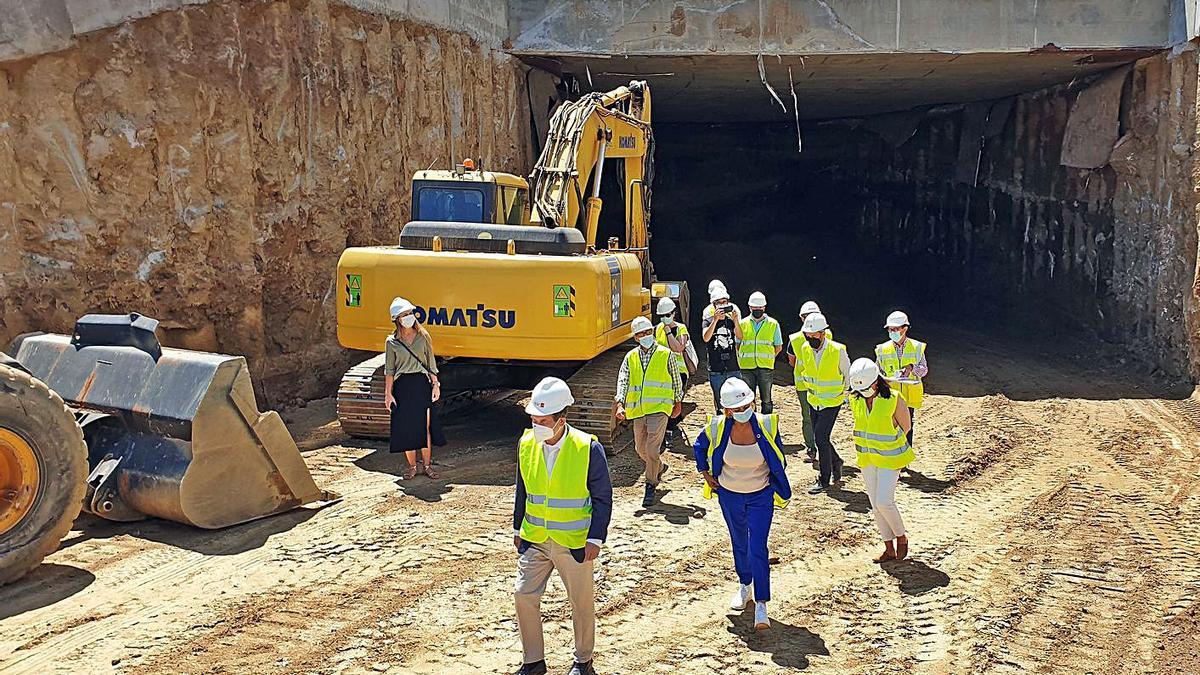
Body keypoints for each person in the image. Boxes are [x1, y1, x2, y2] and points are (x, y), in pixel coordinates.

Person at [513, 377, 613, 675]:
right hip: (536, 538)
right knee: (523, 595)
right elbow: (523, 490)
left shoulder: (587, 448)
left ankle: (583, 661)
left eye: (542, 420)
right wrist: (518, 530)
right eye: (533, 419)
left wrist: (596, 538)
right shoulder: (526, 443)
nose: (536, 425)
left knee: (580, 604)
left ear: (561, 420)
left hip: (574, 542)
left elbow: (603, 497)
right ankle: (533, 662)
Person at [693, 377, 791, 631]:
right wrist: (705, 472)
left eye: (746, 406)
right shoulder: (716, 428)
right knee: (739, 542)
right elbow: (699, 447)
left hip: (761, 495)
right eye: (736, 409)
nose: (742, 412)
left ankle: (761, 603)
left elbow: (779, 457)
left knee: (757, 546)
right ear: (726, 410)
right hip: (730, 495)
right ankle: (745, 585)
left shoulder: (767, 425)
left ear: (754, 402)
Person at [847, 358, 914, 563]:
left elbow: (906, 426)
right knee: (875, 505)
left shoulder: (894, 398)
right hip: (867, 458)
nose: (863, 391)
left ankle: (901, 537)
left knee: (885, 501)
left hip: (890, 458)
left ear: (876, 382)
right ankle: (888, 548)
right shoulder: (855, 399)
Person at [616, 316, 683, 507]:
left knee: (653, 449)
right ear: (636, 338)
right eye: (640, 334)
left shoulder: (665, 354)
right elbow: (623, 380)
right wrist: (620, 403)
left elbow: (676, 378)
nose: (645, 336)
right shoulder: (631, 357)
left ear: (652, 333)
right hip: (638, 409)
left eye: (647, 332)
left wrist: (677, 401)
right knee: (640, 449)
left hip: (660, 408)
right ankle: (659, 467)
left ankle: (650, 485)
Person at [383, 296, 443, 480]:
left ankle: (427, 466)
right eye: (404, 314)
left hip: (420, 384)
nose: (409, 316)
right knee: (407, 428)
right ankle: (412, 467)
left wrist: (435, 384)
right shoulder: (391, 342)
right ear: (397, 319)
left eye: (410, 313)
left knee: (424, 427)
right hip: (402, 386)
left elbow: (430, 363)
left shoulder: (423, 337)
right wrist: (388, 394)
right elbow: (390, 370)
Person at [792, 312, 850, 494]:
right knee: (822, 438)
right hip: (813, 400)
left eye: (813, 335)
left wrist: (843, 393)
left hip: (832, 401)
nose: (810, 338)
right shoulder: (804, 348)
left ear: (823, 333)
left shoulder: (837, 350)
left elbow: (848, 375)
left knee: (820, 438)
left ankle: (824, 479)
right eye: (807, 336)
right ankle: (837, 461)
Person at [874, 311, 928, 447]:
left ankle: (906, 455)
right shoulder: (882, 349)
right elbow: (877, 370)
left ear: (904, 329)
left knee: (907, 426)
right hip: (890, 394)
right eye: (890, 330)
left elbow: (923, 370)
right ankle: (893, 454)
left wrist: (911, 368)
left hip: (909, 395)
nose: (892, 332)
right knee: (891, 425)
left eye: (895, 329)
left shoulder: (916, 347)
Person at [786, 300, 828, 460]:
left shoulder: (827, 335)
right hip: (806, 385)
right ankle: (812, 447)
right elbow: (792, 360)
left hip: (823, 384)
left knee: (819, 417)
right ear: (801, 318)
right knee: (809, 416)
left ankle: (820, 446)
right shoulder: (796, 339)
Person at [737, 291, 782, 414]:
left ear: (764, 307)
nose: (757, 309)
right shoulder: (742, 324)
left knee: (766, 399)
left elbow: (778, 346)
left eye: (760, 307)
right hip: (746, 367)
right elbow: (737, 345)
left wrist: (770, 358)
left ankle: (766, 423)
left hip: (765, 367)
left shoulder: (773, 324)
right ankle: (752, 423)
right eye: (755, 307)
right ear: (750, 307)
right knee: (748, 399)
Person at [655, 297, 692, 445]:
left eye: (667, 315)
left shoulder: (680, 328)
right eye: (662, 316)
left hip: (679, 371)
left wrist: (669, 332)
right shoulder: (658, 328)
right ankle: (666, 428)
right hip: (663, 371)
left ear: (673, 313)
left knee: (675, 400)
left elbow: (678, 348)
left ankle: (671, 428)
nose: (664, 318)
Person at [702, 286, 744, 412]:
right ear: (713, 305)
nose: (722, 305)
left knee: (737, 402)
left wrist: (736, 320)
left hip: (732, 367)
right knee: (721, 404)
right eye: (719, 303)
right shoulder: (708, 320)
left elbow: (740, 336)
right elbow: (706, 337)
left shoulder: (731, 320)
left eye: (724, 302)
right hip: (716, 368)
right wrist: (715, 320)